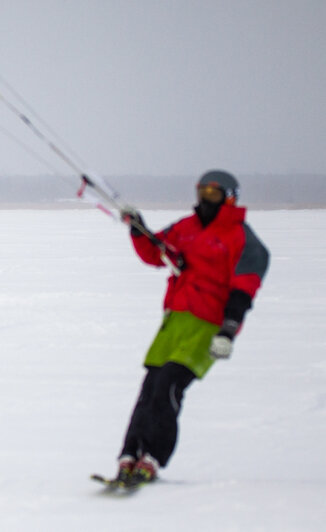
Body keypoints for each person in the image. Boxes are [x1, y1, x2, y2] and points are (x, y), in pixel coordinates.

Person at [114, 170, 270, 486]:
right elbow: (155, 254)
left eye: (213, 193)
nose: (205, 199)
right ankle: (130, 455)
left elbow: (244, 290)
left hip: (208, 326)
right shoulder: (186, 228)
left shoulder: (244, 239)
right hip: (175, 323)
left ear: (230, 198)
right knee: (150, 389)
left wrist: (228, 330)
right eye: (202, 192)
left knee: (169, 385)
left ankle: (153, 457)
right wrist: (138, 228)